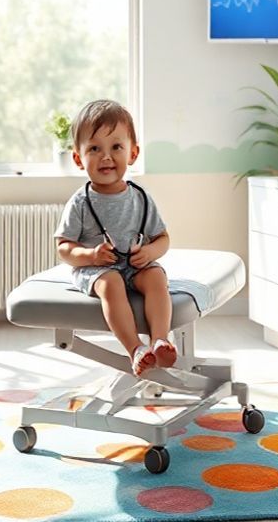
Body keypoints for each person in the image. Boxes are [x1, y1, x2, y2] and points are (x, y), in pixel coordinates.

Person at [54, 99, 174, 376]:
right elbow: (64, 248)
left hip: (135, 267)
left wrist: (151, 253)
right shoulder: (81, 201)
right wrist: (90, 255)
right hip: (97, 270)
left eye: (116, 147)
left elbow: (163, 238)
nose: (106, 157)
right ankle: (136, 349)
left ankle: (159, 340)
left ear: (133, 153)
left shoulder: (141, 198)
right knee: (111, 281)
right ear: (78, 158)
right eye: (94, 149)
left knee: (156, 277)